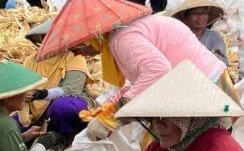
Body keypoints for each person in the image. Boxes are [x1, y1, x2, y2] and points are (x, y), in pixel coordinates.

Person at [67, 13, 232, 141]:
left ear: (91, 38)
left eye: (80, 46)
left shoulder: (123, 40)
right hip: (207, 83)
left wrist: (113, 116)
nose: (82, 53)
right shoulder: (125, 31)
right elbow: (142, 78)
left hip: (206, 89)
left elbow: (157, 71)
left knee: (199, 148)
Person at [20, 20, 94, 141]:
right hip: (34, 105)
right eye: (44, 38)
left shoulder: (74, 57)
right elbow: (23, 85)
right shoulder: (31, 60)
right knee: (12, 122)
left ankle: (66, 137)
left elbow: (71, 89)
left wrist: (41, 94)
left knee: (62, 108)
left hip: (71, 99)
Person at [0, 60, 63, 151]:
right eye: (22, 91)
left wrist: (22, 138)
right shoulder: (7, 125)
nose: (27, 95)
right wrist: (39, 148)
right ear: (7, 97)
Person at [170, 0, 229, 66]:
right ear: (185, 17)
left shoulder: (213, 36)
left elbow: (221, 61)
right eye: (195, 14)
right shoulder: (178, 37)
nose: (200, 17)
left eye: (203, 13)